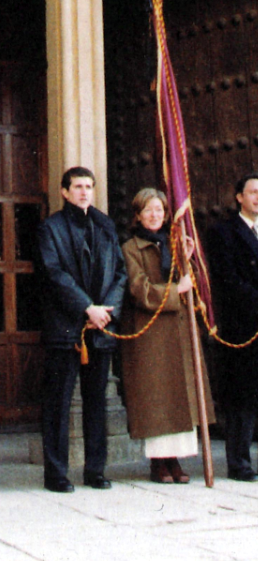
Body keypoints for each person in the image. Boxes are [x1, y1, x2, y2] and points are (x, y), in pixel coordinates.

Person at [37, 166, 126, 493]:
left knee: (96, 402)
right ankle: (56, 474)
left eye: (89, 186)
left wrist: (105, 312)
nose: (84, 192)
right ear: (64, 192)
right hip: (65, 328)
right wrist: (86, 308)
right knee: (58, 404)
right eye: (77, 187)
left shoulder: (106, 225)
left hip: (100, 328)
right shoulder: (50, 228)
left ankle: (95, 470)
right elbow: (53, 273)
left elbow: (120, 273)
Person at [120, 188, 215, 484]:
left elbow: (191, 282)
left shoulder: (174, 243)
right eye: (148, 210)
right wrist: (176, 290)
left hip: (177, 330)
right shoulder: (131, 248)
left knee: (180, 396)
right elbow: (139, 289)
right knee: (157, 399)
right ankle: (159, 463)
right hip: (151, 333)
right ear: (138, 215)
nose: (154, 215)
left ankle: (176, 461)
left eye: (159, 210)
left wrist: (187, 257)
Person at [207, 171, 258, 482]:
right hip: (243, 327)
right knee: (243, 398)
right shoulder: (223, 232)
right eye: (253, 192)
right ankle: (239, 463)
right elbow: (227, 280)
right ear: (239, 197)